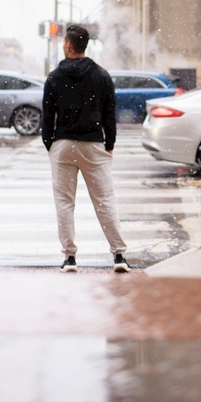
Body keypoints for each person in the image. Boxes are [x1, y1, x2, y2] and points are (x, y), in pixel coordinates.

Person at [42, 23, 131, 273]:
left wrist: (51, 145)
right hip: (93, 144)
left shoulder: (55, 77)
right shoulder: (101, 75)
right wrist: (109, 144)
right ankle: (119, 256)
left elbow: (47, 118)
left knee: (64, 202)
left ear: (69, 46)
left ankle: (69, 258)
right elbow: (109, 114)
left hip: (63, 144)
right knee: (104, 200)